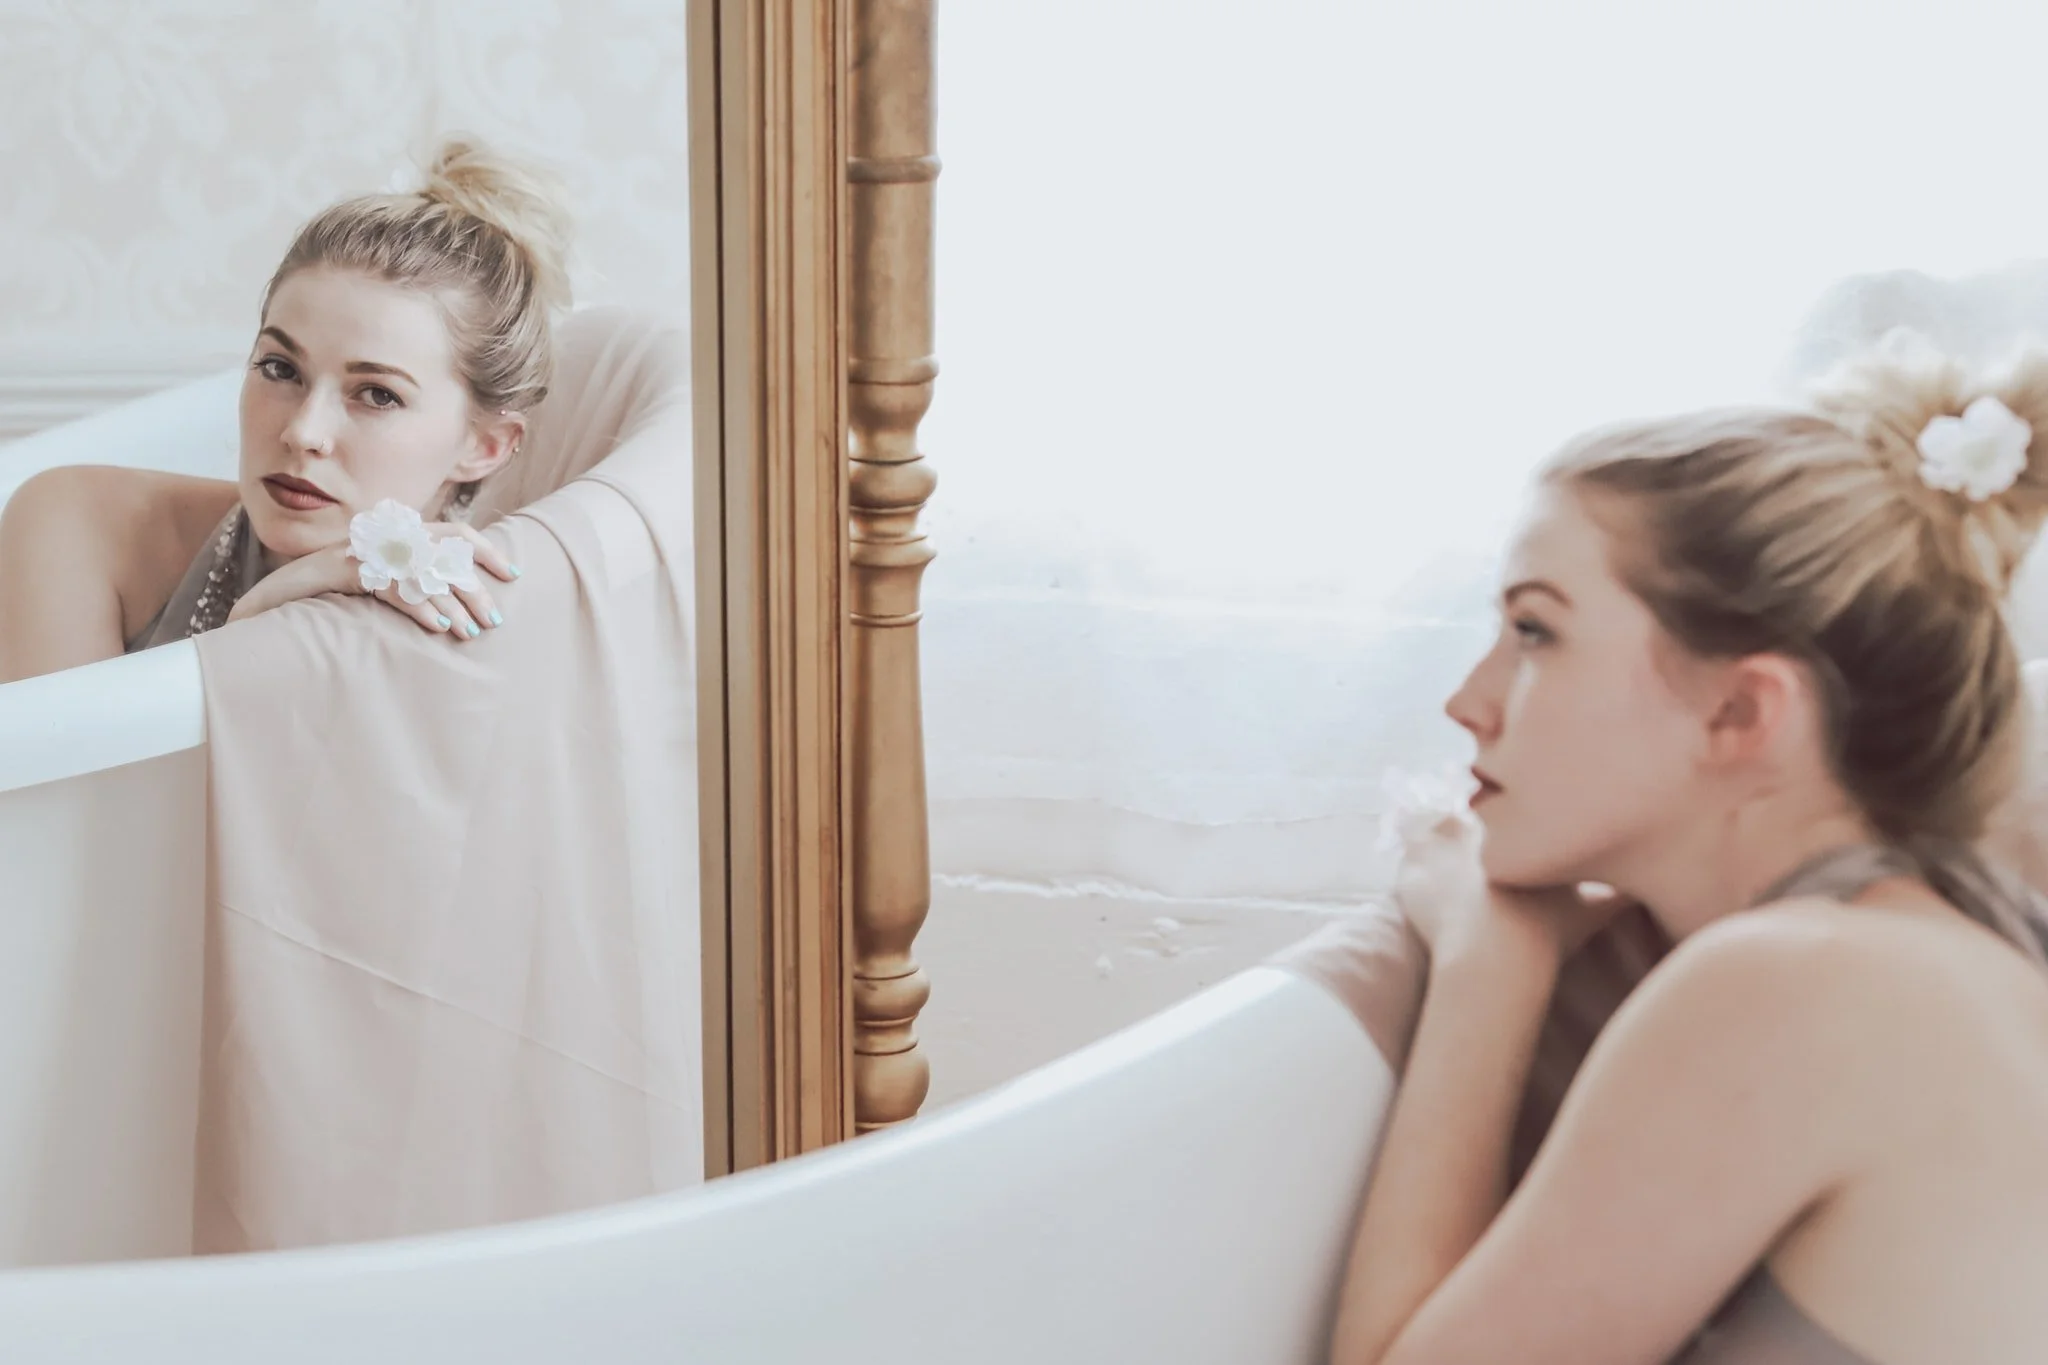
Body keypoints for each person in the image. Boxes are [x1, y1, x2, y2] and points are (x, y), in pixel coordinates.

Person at [1331, 334, 2048, 1364]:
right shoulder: (1972, 944)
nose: (1465, 703)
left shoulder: (1793, 984)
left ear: (1737, 712)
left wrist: (1490, 968)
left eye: (1534, 632)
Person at [0, 136, 571, 684]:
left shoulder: (485, 646)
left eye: (377, 394)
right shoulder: (78, 522)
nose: (304, 431)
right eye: (280, 369)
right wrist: (258, 621)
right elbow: (58, 787)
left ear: (485, 445)